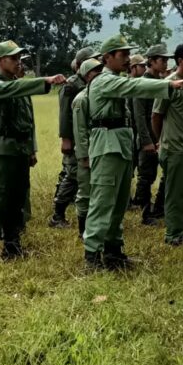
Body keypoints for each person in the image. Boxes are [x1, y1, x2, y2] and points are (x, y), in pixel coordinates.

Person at [84, 36, 183, 271]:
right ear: (107, 57)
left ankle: (113, 252)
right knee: (103, 201)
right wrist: (168, 85)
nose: (127, 58)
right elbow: (134, 86)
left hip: (119, 144)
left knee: (120, 202)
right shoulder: (104, 81)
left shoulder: (114, 79)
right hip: (107, 144)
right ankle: (92, 255)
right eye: (122, 54)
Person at [0, 41, 66, 261]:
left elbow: (27, 120)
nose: (18, 62)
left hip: (19, 149)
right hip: (1, 150)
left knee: (18, 199)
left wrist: (30, 149)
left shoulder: (18, 85)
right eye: (13, 58)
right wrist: (44, 81)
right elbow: (12, 89)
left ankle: (12, 243)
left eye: (19, 58)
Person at [152, 43, 183, 246]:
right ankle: (175, 234)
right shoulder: (169, 84)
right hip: (174, 147)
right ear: (180, 61)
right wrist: (160, 141)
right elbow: (156, 116)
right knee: (175, 194)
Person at [50, 47, 98, 229]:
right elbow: (65, 114)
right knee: (71, 175)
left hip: (86, 135)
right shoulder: (71, 85)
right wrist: (66, 139)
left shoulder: (90, 82)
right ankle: (57, 215)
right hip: (74, 137)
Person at [132, 45, 169, 224]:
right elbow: (139, 115)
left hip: (160, 138)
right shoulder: (142, 83)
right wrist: (147, 141)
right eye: (162, 60)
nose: (165, 63)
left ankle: (157, 208)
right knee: (146, 177)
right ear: (152, 61)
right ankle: (146, 213)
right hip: (147, 138)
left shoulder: (159, 81)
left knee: (159, 175)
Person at [71, 58, 103, 238]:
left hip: (101, 150)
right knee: (85, 193)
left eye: (100, 70)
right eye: (94, 71)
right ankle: (82, 229)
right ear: (86, 75)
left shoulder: (98, 95)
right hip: (88, 152)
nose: (99, 74)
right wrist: (84, 156)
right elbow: (79, 130)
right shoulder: (81, 99)